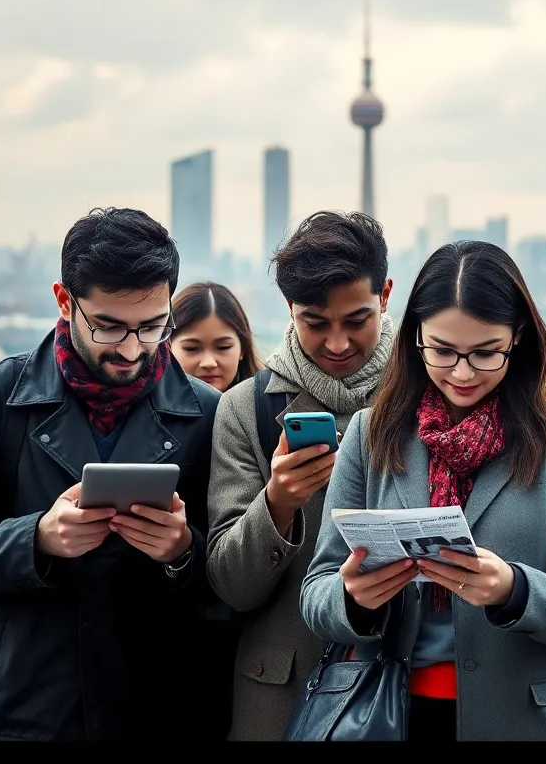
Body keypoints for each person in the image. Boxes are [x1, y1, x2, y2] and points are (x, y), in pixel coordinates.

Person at [0, 207, 227, 742]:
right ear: (63, 300)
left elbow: (236, 572)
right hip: (15, 708)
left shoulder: (209, 413)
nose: (130, 349)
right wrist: (36, 539)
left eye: (152, 327)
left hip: (154, 708)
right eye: (109, 326)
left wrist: (183, 552)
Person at [300, 240, 546, 741]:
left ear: (517, 338)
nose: (463, 372)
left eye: (486, 353)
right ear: (415, 339)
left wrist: (514, 590)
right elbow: (317, 592)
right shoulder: (371, 433)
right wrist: (354, 598)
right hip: (391, 713)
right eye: (443, 351)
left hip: (528, 719)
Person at [206, 210, 395, 741]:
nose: (337, 343)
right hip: (283, 695)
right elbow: (230, 585)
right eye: (316, 322)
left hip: (399, 677)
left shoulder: (423, 400)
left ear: (385, 295)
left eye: (356, 320)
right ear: (290, 310)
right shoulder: (248, 410)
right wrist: (277, 503)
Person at [171, 281, 263, 392]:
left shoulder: (271, 405)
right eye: (191, 348)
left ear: (242, 349)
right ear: (167, 347)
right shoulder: (146, 407)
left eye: (223, 347)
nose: (208, 363)